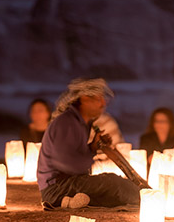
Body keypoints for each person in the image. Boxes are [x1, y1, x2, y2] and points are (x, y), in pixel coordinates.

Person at [37, 78, 141, 209]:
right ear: (85, 99)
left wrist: (94, 146)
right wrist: (93, 161)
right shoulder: (67, 123)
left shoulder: (81, 123)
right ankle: (150, 200)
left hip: (66, 184)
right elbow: (66, 164)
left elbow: (74, 156)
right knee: (113, 183)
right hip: (57, 187)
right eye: (99, 99)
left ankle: (68, 202)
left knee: (113, 196)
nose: (103, 103)